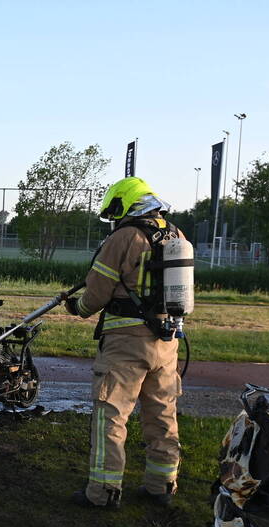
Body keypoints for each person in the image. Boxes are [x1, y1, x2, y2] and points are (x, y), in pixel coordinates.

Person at [61, 177, 187, 509]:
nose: (114, 219)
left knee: (111, 415)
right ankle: (162, 485)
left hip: (126, 345)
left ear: (126, 204)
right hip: (166, 341)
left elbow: (97, 294)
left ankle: (102, 493)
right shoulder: (176, 234)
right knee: (161, 414)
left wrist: (77, 307)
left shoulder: (124, 237)